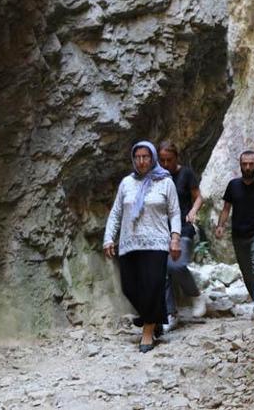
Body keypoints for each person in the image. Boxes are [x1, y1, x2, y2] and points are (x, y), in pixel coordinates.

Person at [103, 141, 182, 352]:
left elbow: (175, 212)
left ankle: (147, 331)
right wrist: (108, 238)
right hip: (130, 243)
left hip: (157, 242)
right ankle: (155, 317)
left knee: (153, 286)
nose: (141, 161)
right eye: (137, 157)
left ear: (153, 157)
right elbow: (116, 213)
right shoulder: (126, 183)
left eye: (146, 156)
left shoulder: (165, 182)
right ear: (133, 159)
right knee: (129, 287)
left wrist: (175, 238)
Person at [215, 150, 254, 319]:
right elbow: (226, 208)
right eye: (245, 164)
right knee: (247, 273)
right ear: (240, 165)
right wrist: (221, 225)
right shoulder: (233, 185)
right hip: (238, 236)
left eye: (251, 164)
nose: (248, 167)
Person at [158, 141, 208, 331]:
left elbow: (199, 197)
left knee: (175, 265)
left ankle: (195, 295)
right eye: (161, 160)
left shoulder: (185, 174)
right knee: (162, 271)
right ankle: (170, 314)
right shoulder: (157, 176)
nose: (165, 164)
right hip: (162, 230)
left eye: (168, 160)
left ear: (176, 158)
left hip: (184, 228)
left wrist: (193, 211)